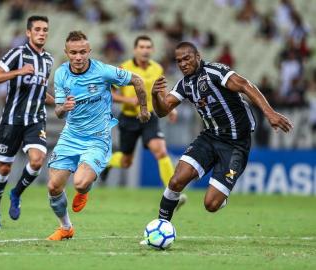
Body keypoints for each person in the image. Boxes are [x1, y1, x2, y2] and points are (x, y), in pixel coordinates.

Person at [151, 41, 293, 227]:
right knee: (176, 180)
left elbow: (244, 84)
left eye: (187, 58)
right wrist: (155, 96)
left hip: (236, 143)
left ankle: (221, 196)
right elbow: (163, 111)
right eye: (179, 61)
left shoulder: (214, 71)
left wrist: (270, 113)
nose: (183, 63)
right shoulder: (184, 84)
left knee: (211, 204)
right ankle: (160, 227)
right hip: (210, 137)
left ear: (197, 57)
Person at [46, 31, 150, 240]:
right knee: (53, 186)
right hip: (70, 136)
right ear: (66, 53)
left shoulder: (102, 71)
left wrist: (144, 109)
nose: (78, 57)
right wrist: (63, 107)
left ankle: (84, 191)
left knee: (80, 183)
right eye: (73, 53)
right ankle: (66, 228)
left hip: (97, 138)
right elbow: (58, 111)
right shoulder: (60, 74)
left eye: (82, 52)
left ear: (89, 52)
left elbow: (137, 80)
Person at [0, 15, 55, 228]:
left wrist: (60, 104)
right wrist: (19, 71)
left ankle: (16, 193)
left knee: (37, 161)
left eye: (45, 29)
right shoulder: (17, 54)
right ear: (28, 33)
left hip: (35, 119)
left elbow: (41, 92)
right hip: (12, 120)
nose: (42, 33)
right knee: (4, 168)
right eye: (37, 29)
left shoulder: (49, 60)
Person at [100, 35, 178, 187]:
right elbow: (108, 93)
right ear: (135, 49)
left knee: (160, 150)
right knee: (126, 161)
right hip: (129, 118)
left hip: (149, 117)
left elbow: (161, 90)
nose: (145, 50)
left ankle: (172, 192)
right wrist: (128, 100)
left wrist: (171, 108)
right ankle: (108, 162)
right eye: (141, 47)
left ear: (153, 50)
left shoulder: (157, 68)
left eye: (148, 47)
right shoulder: (124, 68)